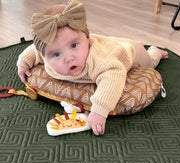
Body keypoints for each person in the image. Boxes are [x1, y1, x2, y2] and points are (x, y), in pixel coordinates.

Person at [17, 0, 168, 136]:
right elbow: (34, 50)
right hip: (108, 43)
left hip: (128, 52)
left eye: (74, 46)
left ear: (87, 38)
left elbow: (113, 77)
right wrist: (23, 62)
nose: (69, 58)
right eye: (56, 54)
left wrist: (99, 111)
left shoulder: (100, 60)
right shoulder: (46, 49)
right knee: (111, 42)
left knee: (149, 61)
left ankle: (154, 51)